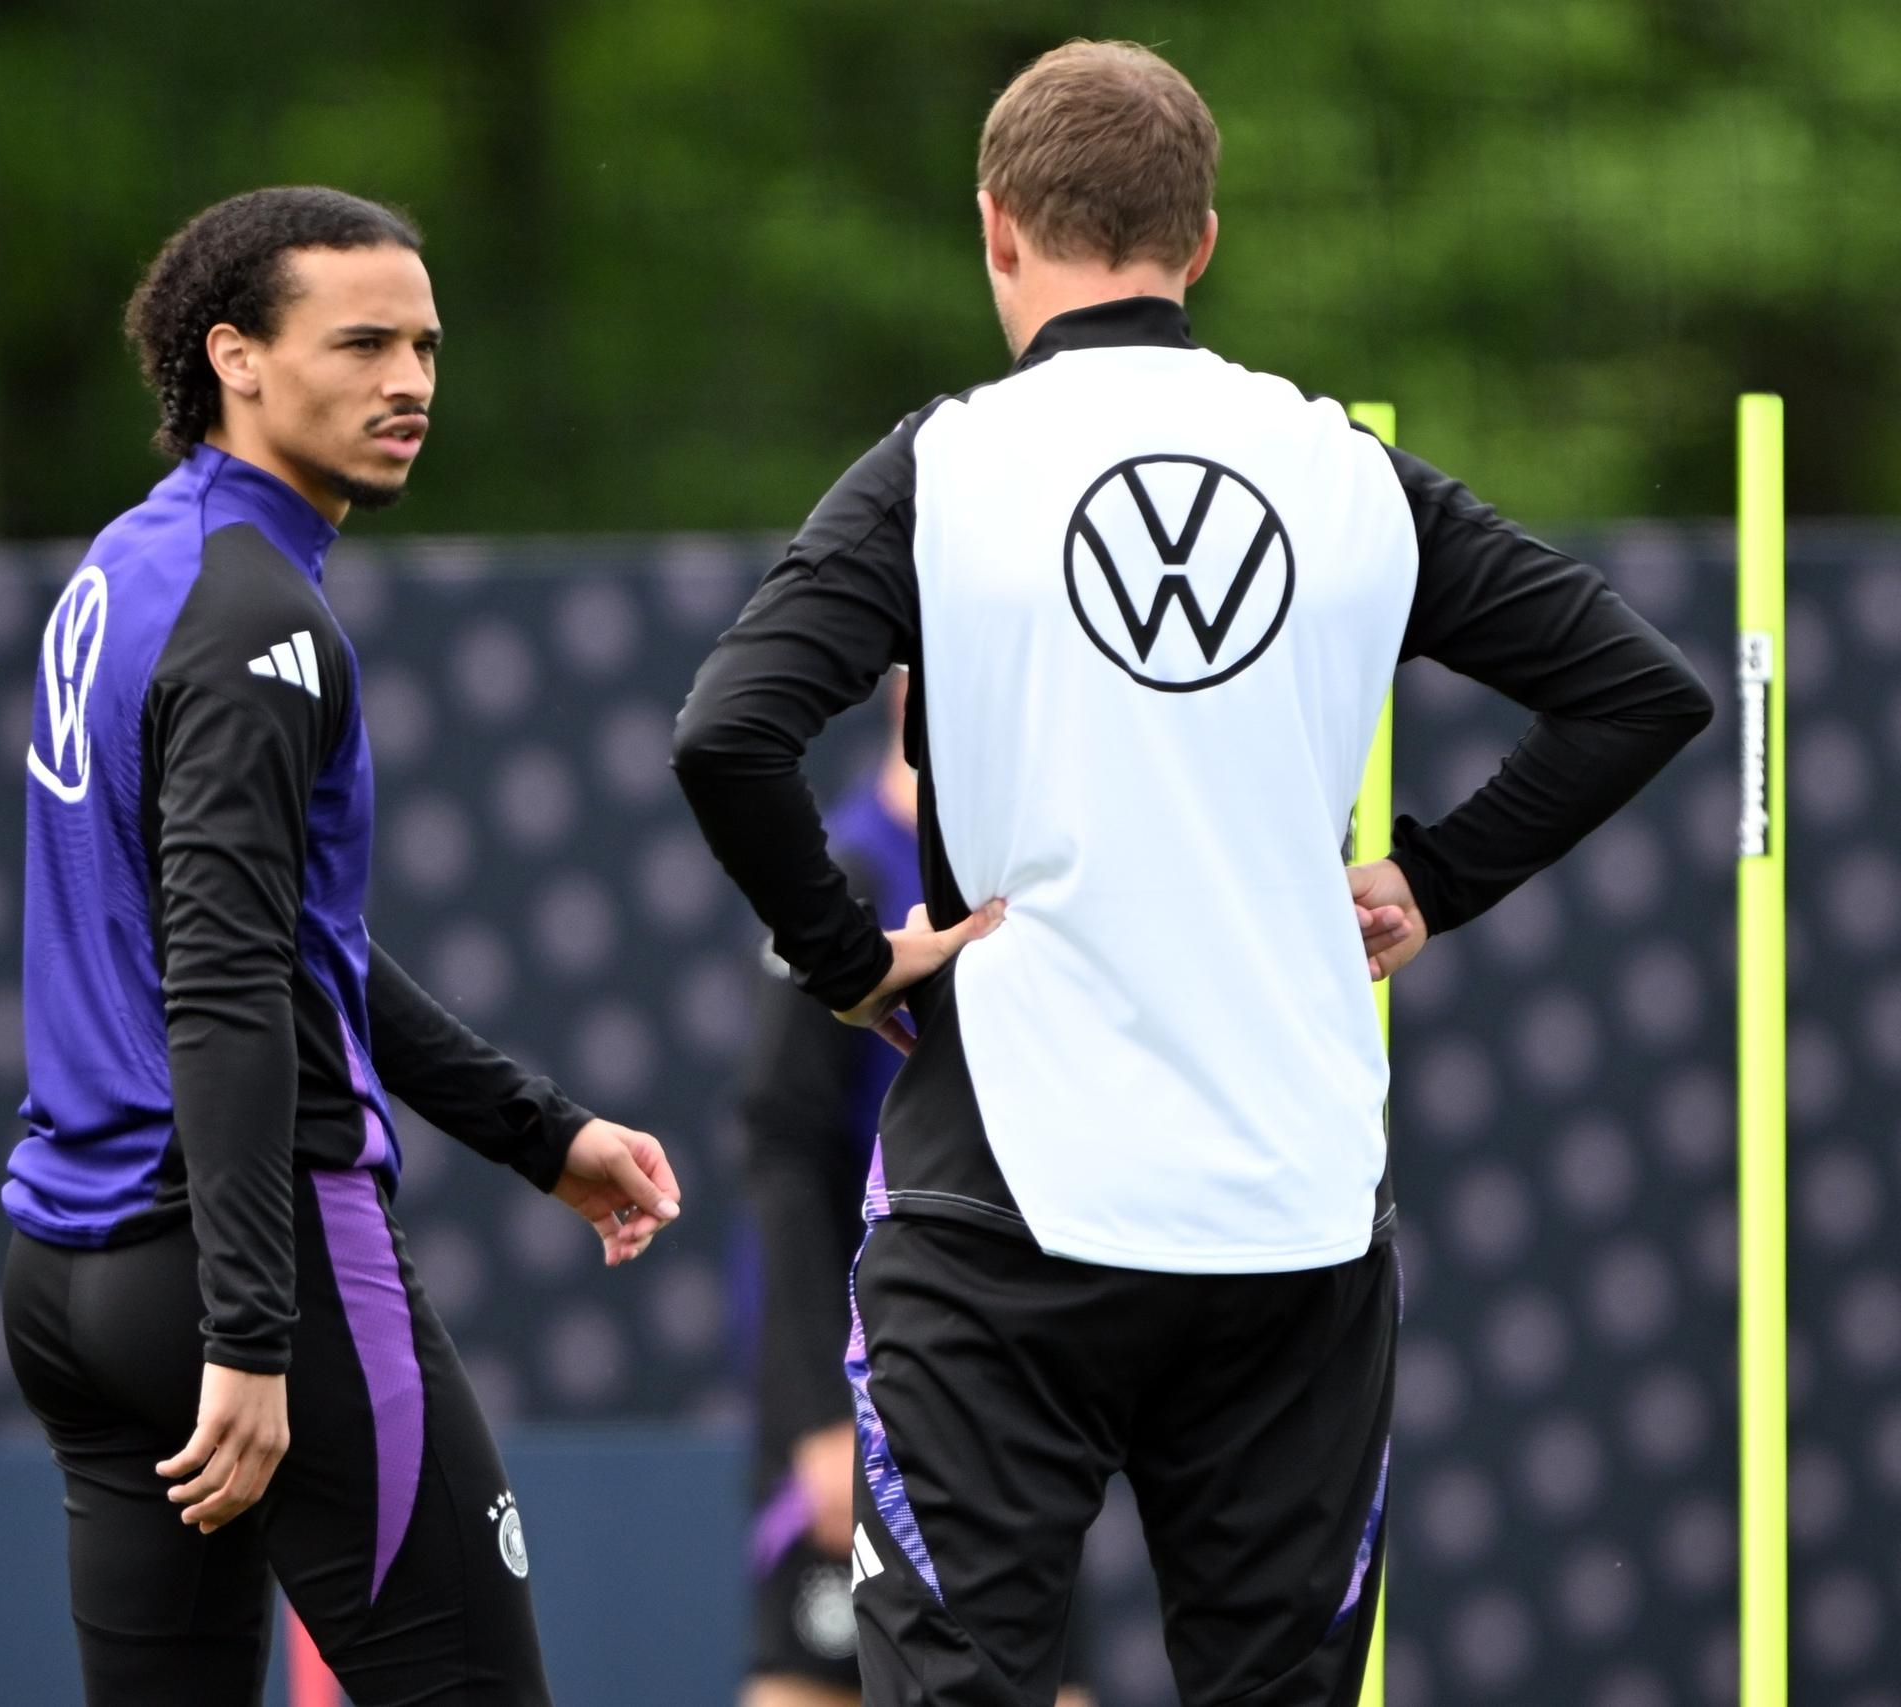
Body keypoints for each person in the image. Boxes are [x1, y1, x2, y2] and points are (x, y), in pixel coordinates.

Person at [673, 40, 1712, 1707]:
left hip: (1001, 1205)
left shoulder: (943, 466)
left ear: (997, 230)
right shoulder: (1346, 472)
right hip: (1288, 1215)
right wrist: (1435, 875)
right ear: (1204, 240)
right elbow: (1643, 690)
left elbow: (725, 734)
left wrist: (844, 955)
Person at [0, 186, 684, 1707]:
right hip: (244, 1275)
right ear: (233, 355)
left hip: (71, 1268)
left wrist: (535, 1126)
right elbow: (232, 982)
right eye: (363, 341)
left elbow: (277, 938)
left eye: (427, 344)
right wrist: (249, 1330)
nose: (412, 381)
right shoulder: (258, 620)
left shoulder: (135, 563)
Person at [740, 677, 1096, 1707]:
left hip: (1025, 1368)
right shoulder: (845, 870)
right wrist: (814, 1412)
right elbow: (783, 1149)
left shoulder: (1048, 879)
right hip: (873, 1365)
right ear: (907, 691)